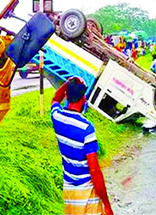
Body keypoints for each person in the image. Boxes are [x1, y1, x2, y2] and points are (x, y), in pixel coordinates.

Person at [51, 77, 114, 215]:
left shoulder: (57, 117)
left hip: (69, 193)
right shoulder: (87, 128)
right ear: (83, 99)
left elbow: (55, 99)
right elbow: (94, 171)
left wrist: (68, 83)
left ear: (67, 96)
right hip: (87, 194)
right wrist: (107, 205)